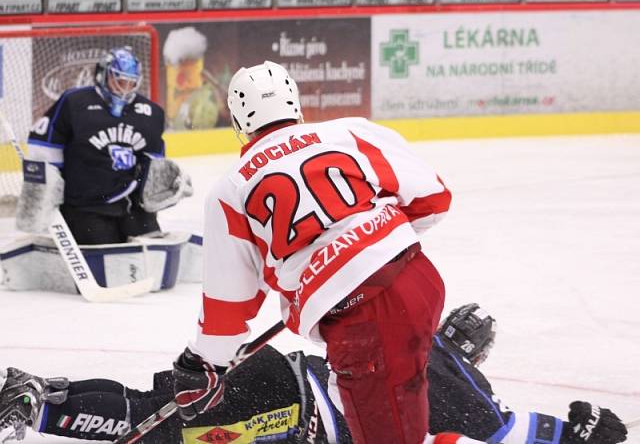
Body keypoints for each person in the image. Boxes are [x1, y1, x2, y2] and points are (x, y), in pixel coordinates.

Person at [173, 60, 453, 443]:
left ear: (239, 122)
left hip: (362, 318)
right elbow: (433, 198)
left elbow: (228, 307)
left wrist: (202, 361)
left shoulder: (231, 190)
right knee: (372, 406)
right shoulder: (349, 131)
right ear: (295, 103)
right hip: (418, 280)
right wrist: (374, 240)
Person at [0, 303, 629, 444]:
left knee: (157, 403)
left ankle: (40, 396)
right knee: (160, 428)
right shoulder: (446, 375)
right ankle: (32, 404)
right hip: (290, 407)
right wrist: (578, 435)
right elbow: (502, 432)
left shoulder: (408, 343)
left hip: (284, 377)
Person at [25, 46, 191, 245]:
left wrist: (169, 187)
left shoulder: (151, 113)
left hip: (132, 205)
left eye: (131, 83)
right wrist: (43, 192)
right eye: (119, 81)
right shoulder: (75, 103)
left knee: (151, 250)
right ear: (103, 75)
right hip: (86, 206)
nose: (124, 88)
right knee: (106, 250)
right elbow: (43, 146)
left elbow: (155, 166)